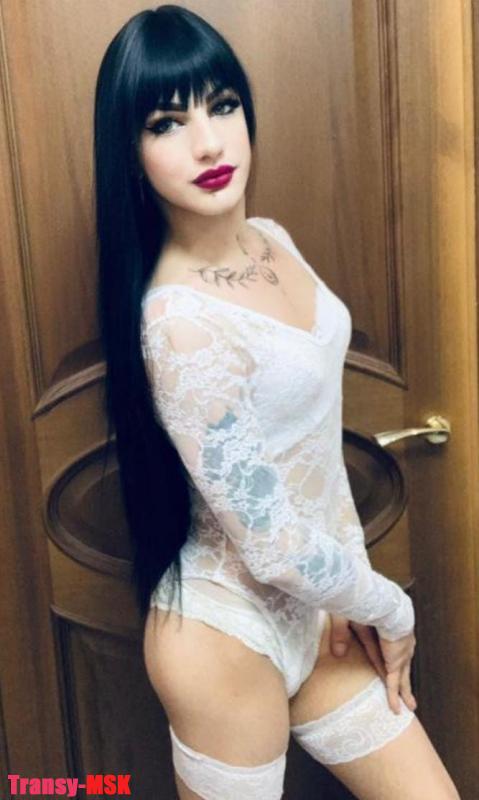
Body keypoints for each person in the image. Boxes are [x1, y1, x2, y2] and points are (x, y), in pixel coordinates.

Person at [94, 5, 461, 799]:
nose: (208, 143)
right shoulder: (176, 322)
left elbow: (315, 444)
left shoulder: (273, 239)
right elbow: (271, 548)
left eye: (222, 105)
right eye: (167, 122)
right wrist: (389, 607)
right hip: (225, 637)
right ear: (130, 152)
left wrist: (347, 590)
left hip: (322, 614)